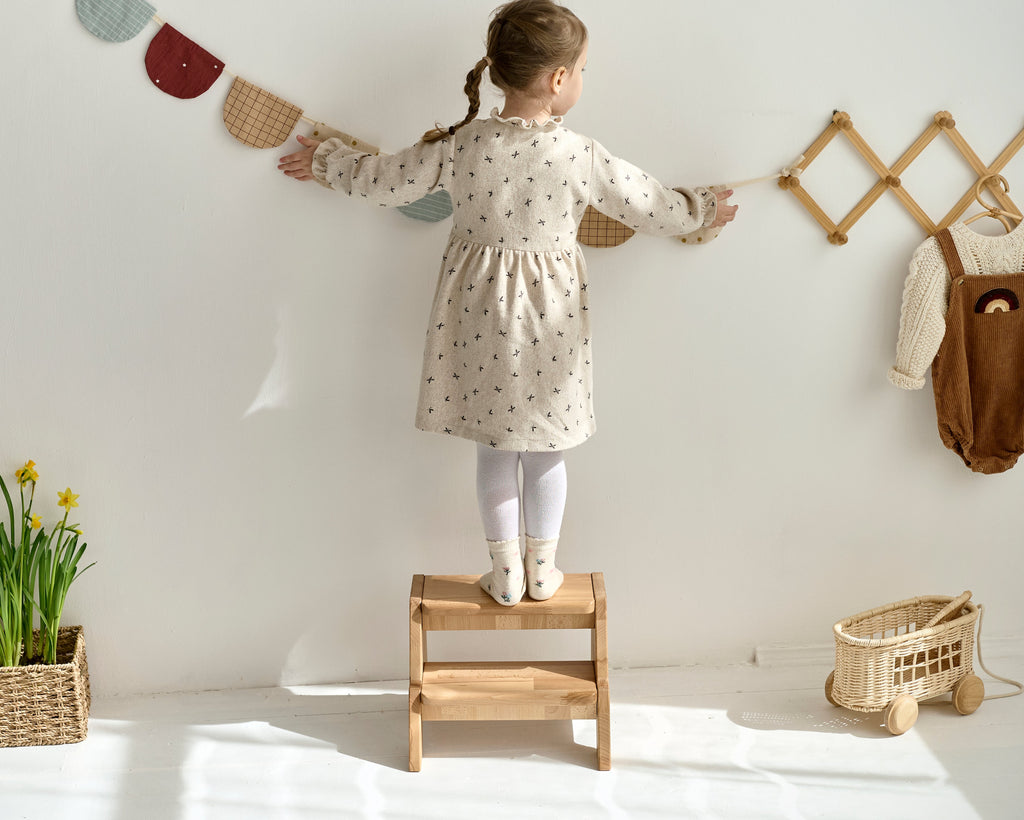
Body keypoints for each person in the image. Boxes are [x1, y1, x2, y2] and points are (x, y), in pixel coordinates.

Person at [278, 0, 737, 606]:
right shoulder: (580, 154)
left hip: (477, 316)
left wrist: (326, 162)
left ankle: (506, 574)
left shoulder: (461, 144)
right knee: (546, 448)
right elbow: (650, 205)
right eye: (581, 69)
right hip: (551, 323)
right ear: (556, 80)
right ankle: (542, 569)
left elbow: (386, 180)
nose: (582, 79)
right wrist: (703, 208)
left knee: (495, 446)